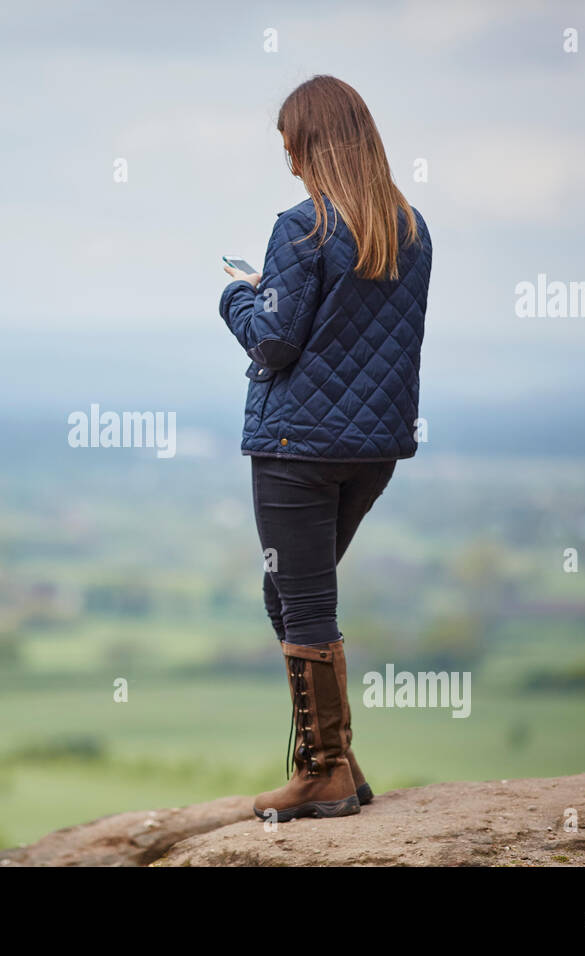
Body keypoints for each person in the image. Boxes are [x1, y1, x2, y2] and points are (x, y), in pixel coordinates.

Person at [219, 75, 432, 821]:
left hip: (294, 444)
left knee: (301, 600)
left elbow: (273, 343)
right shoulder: (410, 229)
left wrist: (238, 294)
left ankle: (322, 772)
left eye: (291, 147)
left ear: (311, 144)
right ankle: (339, 761)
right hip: (372, 449)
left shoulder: (300, 229)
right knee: (290, 594)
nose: (289, 165)